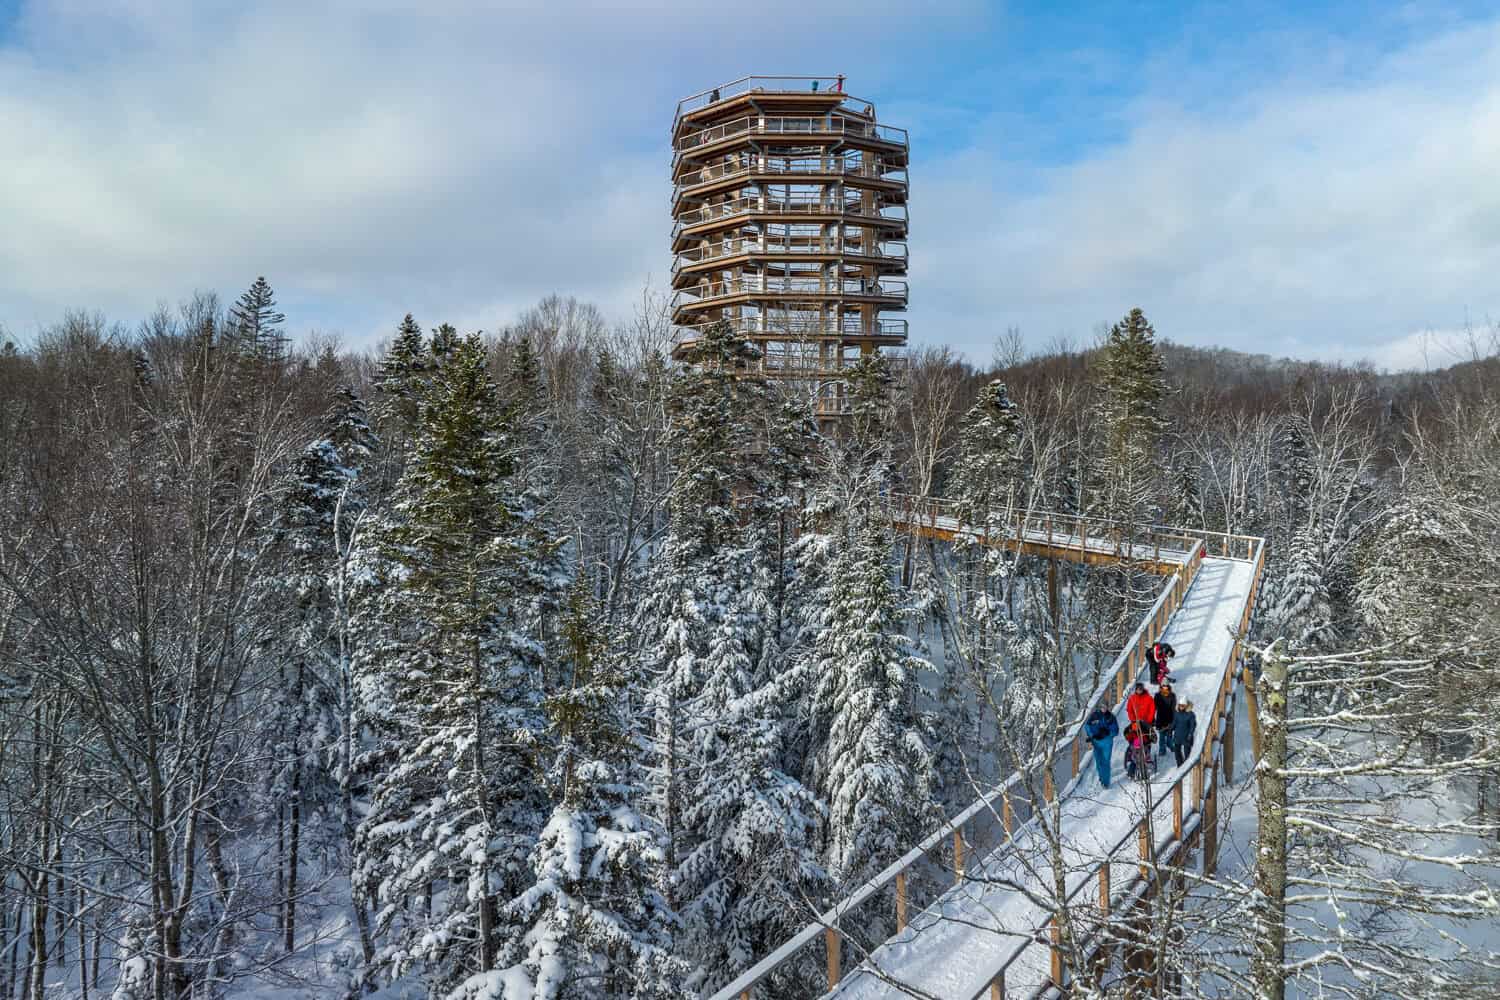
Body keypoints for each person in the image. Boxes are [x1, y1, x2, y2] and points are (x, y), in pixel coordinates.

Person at [1085, 706, 1120, 789]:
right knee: (1098, 762)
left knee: (1106, 761)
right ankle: (1101, 778)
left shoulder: (1110, 717)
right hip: (1096, 742)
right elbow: (1087, 726)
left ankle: (1105, 782)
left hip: (1107, 742)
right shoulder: (1094, 715)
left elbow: (1115, 731)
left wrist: (1107, 733)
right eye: (1102, 707)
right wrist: (1091, 735)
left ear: (1107, 707)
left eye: (1105, 707)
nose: (1103, 708)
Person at [1153, 680, 1178, 761]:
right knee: (1161, 736)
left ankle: (1170, 745)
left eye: (1166, 685)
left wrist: (1174, 719)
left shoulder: (1172, 695)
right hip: (1160, 718)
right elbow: (1155, 707)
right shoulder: (1157, 695)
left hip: (1169, 717)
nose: (1165, 687)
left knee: (1169, 734)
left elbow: (1173, 707)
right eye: (1163, 685)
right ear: (1161, 686)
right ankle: (1162, 750)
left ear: (1168, 686)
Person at [1171, 700, 1198, 767]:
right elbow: (1174, 723)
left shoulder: (1191, 714)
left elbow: (1193, 726)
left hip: (1186, 737)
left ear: (1186, 706)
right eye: (1180, 705)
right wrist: (1170, 730)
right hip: (1177, 736)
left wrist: (1190, 734)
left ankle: (1187, 767)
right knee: (1177, 752)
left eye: (1183, 705)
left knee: (1187, 754)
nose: (1181, 707)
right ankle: (1180, 765)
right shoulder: (1177, 713)